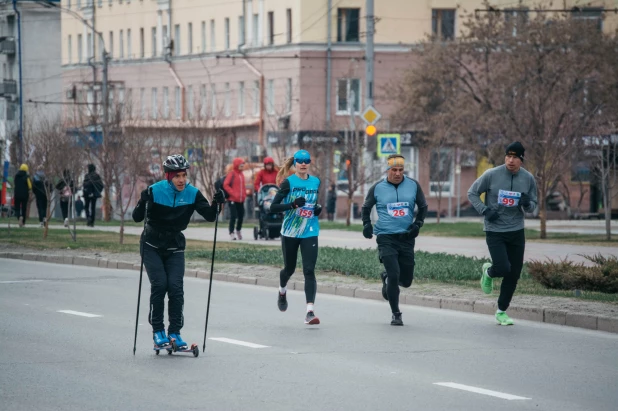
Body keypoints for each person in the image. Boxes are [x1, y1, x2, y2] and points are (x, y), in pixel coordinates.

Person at [132, 154, 226, 348]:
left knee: (176, 288)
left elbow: (210, 216)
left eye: (183, 175)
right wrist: (142, 201)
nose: (181, 180)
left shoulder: (192, 193)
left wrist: (217, 203)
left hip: (175, 245)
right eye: (177, 176)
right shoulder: (155, 191)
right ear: (168, 176)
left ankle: (174, 331)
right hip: (151, 245)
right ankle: (158, 331)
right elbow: (136, 217)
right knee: (160, 285)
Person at [467, 142, 538, 326]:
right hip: (495, 230)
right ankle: (488, 272)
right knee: (503, 268)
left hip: (516, 230)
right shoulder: (491, 175)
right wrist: (485, 210)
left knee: (514, 273)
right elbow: (472, 193)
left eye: (515, 157)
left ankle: (501, 311)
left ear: (521, 160)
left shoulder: (528, 178)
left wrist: (526, 203)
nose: (510, 160)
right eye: (508, 156)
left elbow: (533, 206)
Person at [361, 154, 427, 326]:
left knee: (406, 281)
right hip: (386, 237)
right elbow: (366, 207)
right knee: (394, 273)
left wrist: (417, 224)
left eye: (400, 170)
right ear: (387, 170)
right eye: (394, 170)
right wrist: (367, 225)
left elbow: (423, 206)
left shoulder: (413, 185)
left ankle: (387, 280)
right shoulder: (378, 188)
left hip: (406, 237)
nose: (398, 173)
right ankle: (396, 313)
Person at [270, 150, 323, 325]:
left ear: (310, 162)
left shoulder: (315, 182)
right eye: (300, 161)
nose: (303, 164)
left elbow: (313, 204)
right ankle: (282, 290)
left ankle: (309, 312)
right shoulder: (288, 183)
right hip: (291, 232)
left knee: (309, 270)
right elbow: (273, 207)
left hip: (310, 230)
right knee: (289, 269)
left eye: (306, 161)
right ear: (295, 164)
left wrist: (317, 209)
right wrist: (292, 205)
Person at [223, 158, 247, 240]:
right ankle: (231, 232)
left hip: (240, 200)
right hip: (232, 199)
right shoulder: (232, 174)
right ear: (237, 165)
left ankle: (238, 230)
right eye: (241, 165)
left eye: (243, 165)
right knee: (233, 216)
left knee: (241, 216)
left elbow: (243, 187)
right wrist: (233, 193)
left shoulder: (242, 175)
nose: (242, 166)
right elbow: (225, 185)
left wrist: (244, 195)